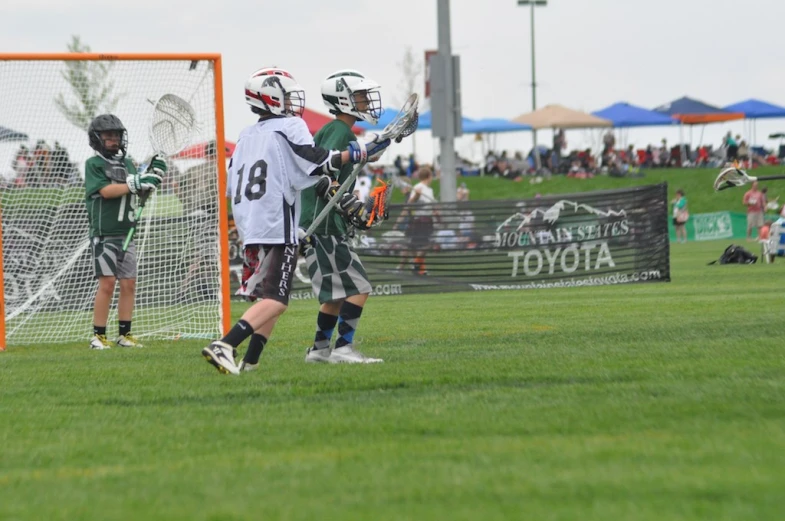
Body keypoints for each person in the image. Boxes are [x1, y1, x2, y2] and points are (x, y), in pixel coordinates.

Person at [201, 67, 389, 375]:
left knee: (270, 299)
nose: (291, 103)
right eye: (286, 96)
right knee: (277, 301)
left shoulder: (247, 135)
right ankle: (225, 345)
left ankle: (251, 362)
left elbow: (233, 185)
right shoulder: (290, 126)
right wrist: (361, 153)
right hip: (278, 224)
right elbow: (320, 163)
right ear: (272, 97)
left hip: (252, 225)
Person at [298, 69, 387, 365]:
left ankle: (320, 351)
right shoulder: (339, 130)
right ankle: (343, 348)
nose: (365, 102)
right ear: (344, 99)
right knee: (360, 287)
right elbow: (326, 176)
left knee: (335, 295)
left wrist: (367, 153)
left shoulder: (335, 131)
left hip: (320, 223)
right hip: (322, 224)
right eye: (360, 96)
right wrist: (350, 206)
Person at [84, 114, 165, 349]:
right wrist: (135, 183)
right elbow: (106, 191)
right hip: (105, 234)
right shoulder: (93, 164)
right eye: (108, 136)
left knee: (129, 284)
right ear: (97, 139)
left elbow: (138, 193)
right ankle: (98, 336)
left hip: (127, 233)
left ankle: (124, 334)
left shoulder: (128, 163)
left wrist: (152, 178)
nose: (114, 140)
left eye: (117, 135)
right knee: (107, 283)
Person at [175, 140, 220, 302]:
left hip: (192, 214)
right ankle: (184, 290)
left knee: (204, 252)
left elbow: (175, 185)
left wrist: (186, 201)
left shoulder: (193, 169)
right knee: (206, 253)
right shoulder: (218, 168)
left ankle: (204, 288)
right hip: (208, 213)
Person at [397, 166, 438, 274]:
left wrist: (435, 212)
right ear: (429, 176)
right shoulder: (417, 187)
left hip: (429, 220)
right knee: (425, 244)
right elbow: (410, 204)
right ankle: (416, 264)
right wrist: (416, 197)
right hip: (421, 220)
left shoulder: (430, 190)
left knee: (424, 244)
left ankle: (419, 268)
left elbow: (431, 206)